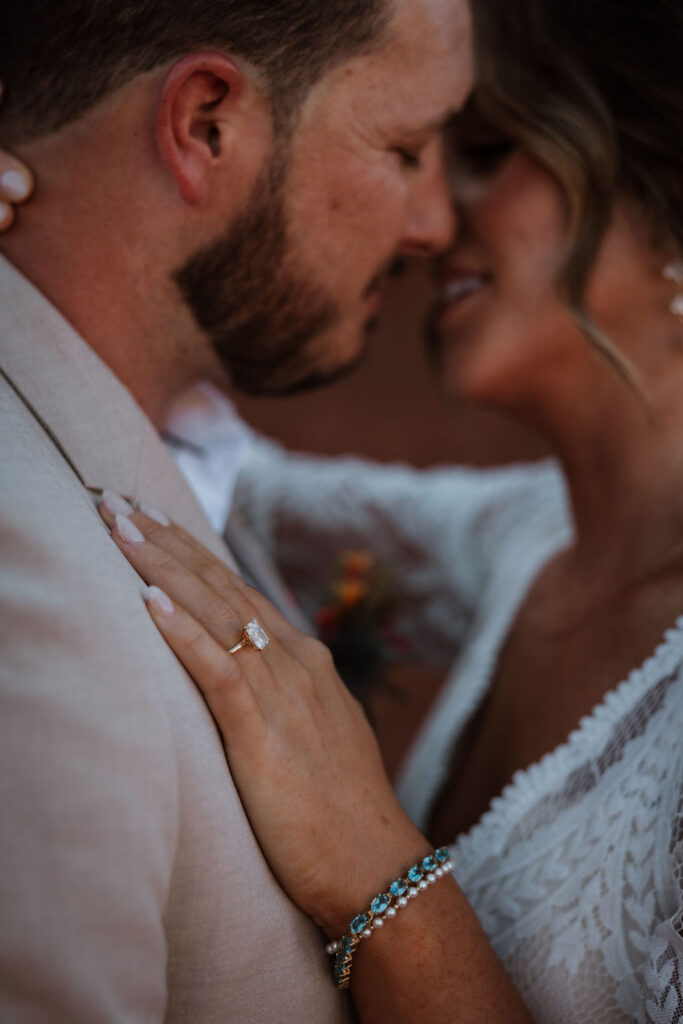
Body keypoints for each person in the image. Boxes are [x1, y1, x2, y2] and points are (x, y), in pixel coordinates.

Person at [85, 0, 683, 1020]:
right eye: (418, 151)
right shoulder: (522, 538)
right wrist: (72, 210)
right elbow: (237, 486)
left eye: (487, 151)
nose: (433, 219)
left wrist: (369, 862)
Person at [0, 0, 472, 1020]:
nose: (435, 223)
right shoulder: (25, 583)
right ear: (205, 125)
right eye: (404, 147)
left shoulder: (148, 440)